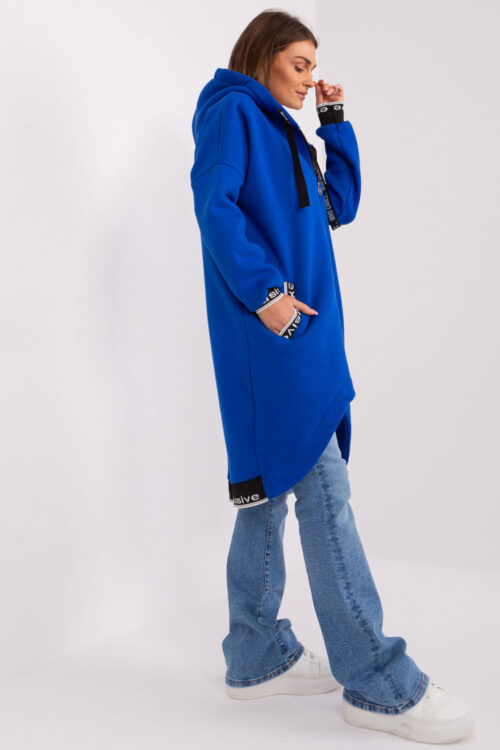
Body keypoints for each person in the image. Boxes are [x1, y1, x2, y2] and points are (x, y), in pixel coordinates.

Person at [189, 9, 474, 744]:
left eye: (314, 66)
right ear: (262, 56)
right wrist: (269, 297)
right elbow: (215, 208)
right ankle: (377, 679)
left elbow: (336, 208)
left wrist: (333, 123)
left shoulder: (284, 131)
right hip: (273, 342)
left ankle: (255, 653)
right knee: (326, 495)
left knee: (267, 498)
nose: (310, 77)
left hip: (305, 339)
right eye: (300, 64)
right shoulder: (231, 114)